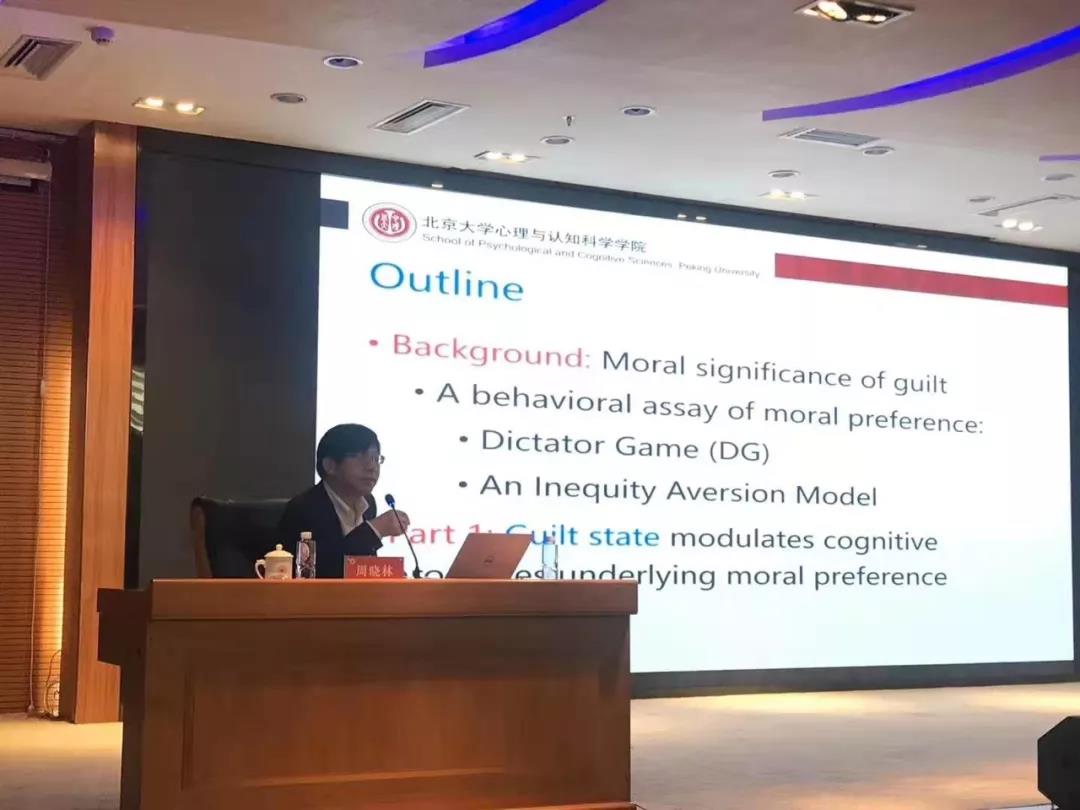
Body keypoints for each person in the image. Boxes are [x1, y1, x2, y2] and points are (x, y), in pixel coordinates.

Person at [277, 423, 410, 578]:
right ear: (330, 466)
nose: (372, 467)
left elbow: (360, 567)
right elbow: (322, 572)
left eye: (375, 458)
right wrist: (374, 530)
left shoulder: (369, 503)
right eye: (359, 457)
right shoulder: (304, 508)